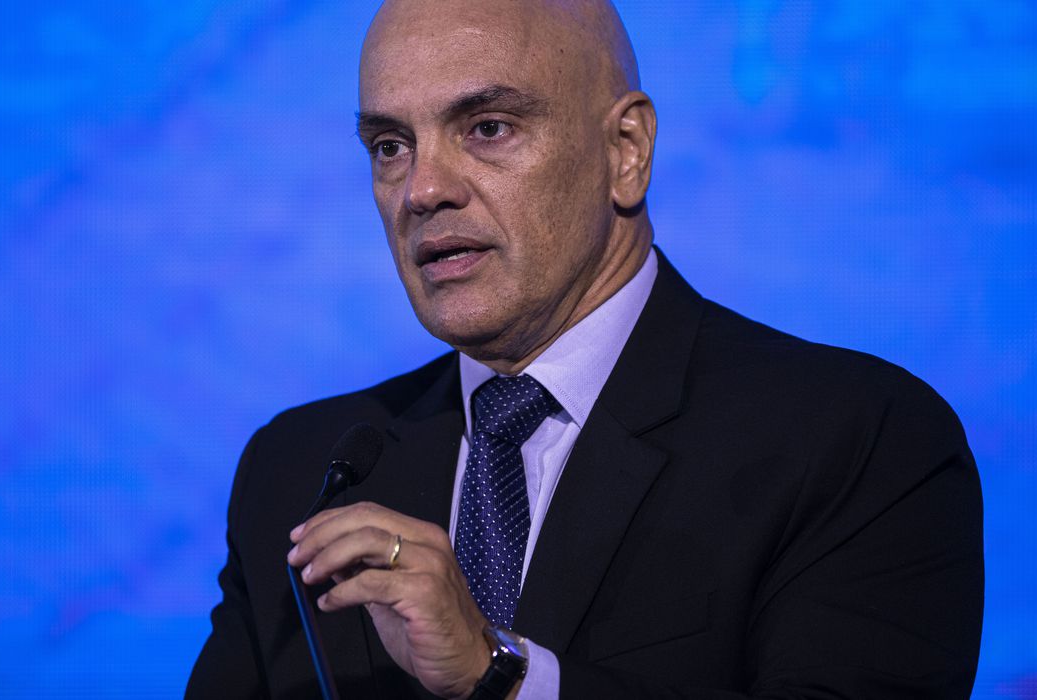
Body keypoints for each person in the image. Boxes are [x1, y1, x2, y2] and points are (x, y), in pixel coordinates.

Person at [187, 0, 984, 698]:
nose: (424, 189)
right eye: (391, 145)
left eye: (488, 127)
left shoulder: (854, 438)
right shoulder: (299, 472)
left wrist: (502, 676)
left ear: (627, 150)